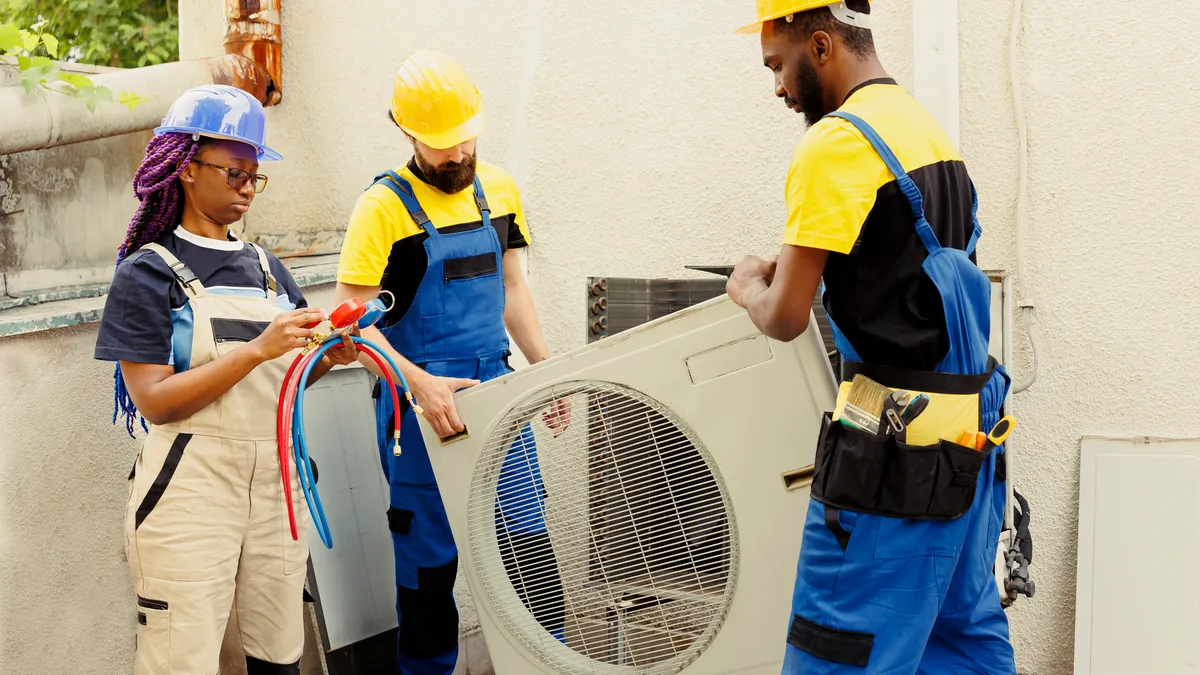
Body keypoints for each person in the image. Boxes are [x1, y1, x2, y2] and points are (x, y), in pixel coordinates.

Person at [728, 2, 1016, 674]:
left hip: (890, 453)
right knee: (959, 641)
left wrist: (747, 285)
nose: (776, 87)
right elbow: (904, 265)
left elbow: (786, 315)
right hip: (967, 438)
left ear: (821, 45)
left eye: (778, 65)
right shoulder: (925, 129)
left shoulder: (835, 144)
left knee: (839, 651)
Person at [95, 84, 358, 675]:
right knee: (180, 656)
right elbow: (156, 402)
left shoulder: (267, 269)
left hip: (276, 484)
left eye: (254, 175)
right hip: (190, 488)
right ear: (185, 167)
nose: (247, 186)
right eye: (234, 171)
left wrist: (322, 360)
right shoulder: (148, 273)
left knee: (278, 654)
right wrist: (259, 350)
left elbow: (281, 381)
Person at [333, 51, 570, 674]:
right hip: (417, 408)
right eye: (443, 148)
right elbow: (352, 320)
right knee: (428, 573)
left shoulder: (501, 189)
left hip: (498, 394)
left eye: (466, 141)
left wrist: (544, 368)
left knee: (530, 551)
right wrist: (420, 384)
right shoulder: (381, 209)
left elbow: (513, 288)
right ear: (407, 133)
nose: (458, 157)